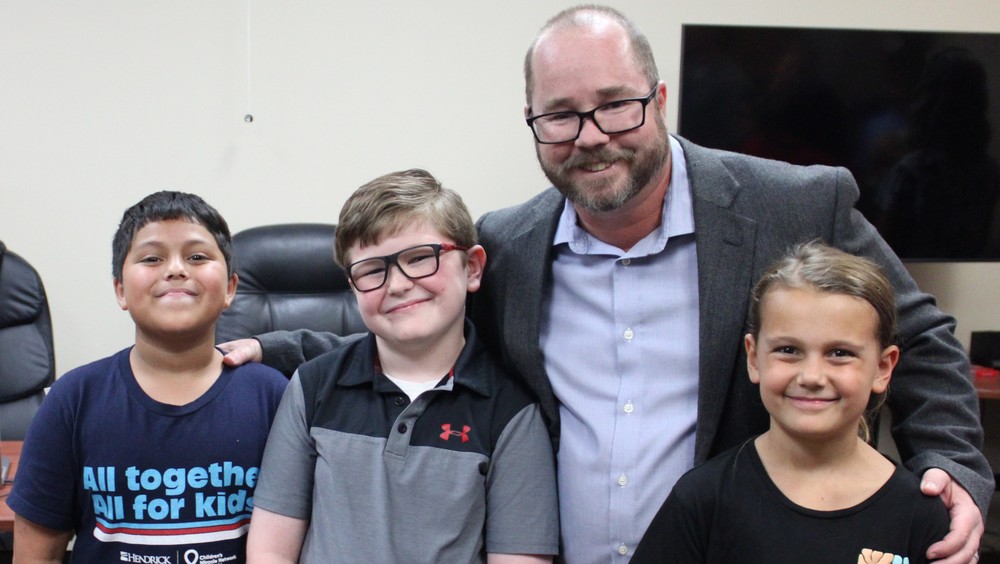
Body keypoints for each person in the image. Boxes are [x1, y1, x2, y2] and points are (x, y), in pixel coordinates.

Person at [220, 6, 992, 563]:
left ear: (659, 101)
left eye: (615, 106)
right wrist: (279, 344)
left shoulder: (788, 205)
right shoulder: (510, 243)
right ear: (532, 124)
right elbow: (420, 323)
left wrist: (951, 469)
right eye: (560, 116)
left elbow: (917, 338)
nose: (590, 136)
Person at [244, 169, 558, 563]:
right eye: (373, 270)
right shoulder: (311, 388)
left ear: (472, 268)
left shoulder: (512, 414)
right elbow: (270, 550)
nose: (397, 284)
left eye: (421, 258)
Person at [8, 191, 289, 563]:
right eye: (152, 258)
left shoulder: (274, 396)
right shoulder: (74, 398)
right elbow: (37, 554)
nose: (176, 269)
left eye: (197, 256)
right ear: (120, 290)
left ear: (231, 289)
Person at [630, 242, 950, 563]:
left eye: (840, 353)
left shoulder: (921, 514)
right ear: (754, 358)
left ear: (883, 368)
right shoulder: (702, 499)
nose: (811, 376)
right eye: (788, 350)